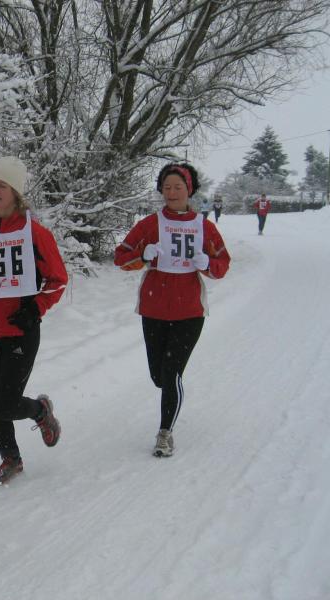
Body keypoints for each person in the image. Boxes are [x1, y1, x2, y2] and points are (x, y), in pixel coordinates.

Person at [114, 162, 230, 457]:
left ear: (189, 190)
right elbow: (121, 257)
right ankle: (168, 401)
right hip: (154, 309)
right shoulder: (150, 224)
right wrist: (142, 255)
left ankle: (165, 433)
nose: (172, 192)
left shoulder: (203, 226)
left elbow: (222, 264)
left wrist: (208, 264)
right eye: (166, 187)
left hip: (189, 312)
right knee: (159, 376)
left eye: (178, 187)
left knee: (171, 373)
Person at [0, 157, 68, 487]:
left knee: (7, 405)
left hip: (19, 332)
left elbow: (58, 279)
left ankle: (41, 411)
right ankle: (11, 458)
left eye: (3, 185)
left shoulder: (35, 234)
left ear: (16, 192)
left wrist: (35, 308)